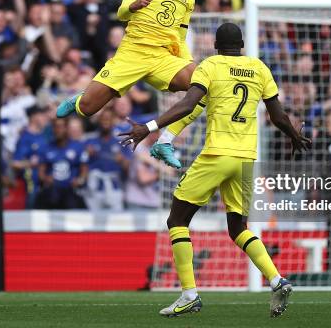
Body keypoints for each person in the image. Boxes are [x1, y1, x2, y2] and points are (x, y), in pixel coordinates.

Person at [119, 23, 311, 317]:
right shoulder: (259, 68)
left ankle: (189, 294)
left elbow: (187, 105)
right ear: (242, 44)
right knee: (238, 228)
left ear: (217, 46)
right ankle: (276, 279)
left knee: (177, 219)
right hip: (246, 160)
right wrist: (294, 136)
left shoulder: (210, 66)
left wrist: (149, 128)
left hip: (217, 154)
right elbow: (277, 115)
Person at [56, 0, 201, 170]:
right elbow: (123, 13)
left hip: (163, 58)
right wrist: (134, 6)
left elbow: (180, 37)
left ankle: (165, 142)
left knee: (203, 86)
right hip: (132, 53)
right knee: (88, 109)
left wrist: (188, 62)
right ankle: (80, 98)